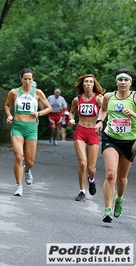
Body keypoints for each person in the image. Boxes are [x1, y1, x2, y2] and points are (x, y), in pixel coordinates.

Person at [94, 68, 136, 223]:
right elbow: (103, 110)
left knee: (122, 178)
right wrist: (100, 121)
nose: (123, 82)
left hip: (129, 141)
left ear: (130, 83)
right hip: (110, 138)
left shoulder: (134, 97)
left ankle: (119, 198)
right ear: (116, 81)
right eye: (120, 80)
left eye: (126, 80)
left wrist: (134, 114)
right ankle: (107, 209)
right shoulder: (108, 96)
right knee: (111, 174)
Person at [4, 68, 52, 196]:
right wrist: (9, 115)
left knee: (29, 161)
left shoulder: (37, 93)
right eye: (25, 78)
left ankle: (27, 170)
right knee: (19, 156)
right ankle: (19, 186)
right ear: (21, 79)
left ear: (33, 80)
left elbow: (49, 108)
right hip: (17, 126)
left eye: (30, 79)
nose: (27, 81)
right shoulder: (14, 92)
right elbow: (7, 105)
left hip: (31, 127)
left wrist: (38, 113)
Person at [68, 74, 104, 202]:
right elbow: (71, 113)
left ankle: (92, 179)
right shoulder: (77, 99)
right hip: (80, 132)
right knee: (83, 163)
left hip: (94, 133)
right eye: (86, 82)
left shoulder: (99, 99)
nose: (88, 84)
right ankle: (82, 191)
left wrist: (101, 121)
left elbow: (106, 112)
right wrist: (71, 119)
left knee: (91, 168)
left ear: (94, 84)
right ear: (82, 84)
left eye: (91, 82)